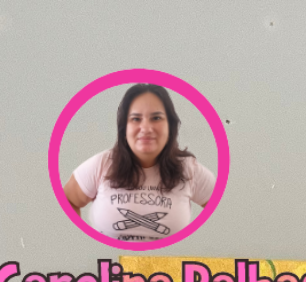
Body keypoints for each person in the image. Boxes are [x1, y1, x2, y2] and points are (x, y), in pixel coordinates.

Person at [63, 84, 215, 243]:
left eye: (156, 118)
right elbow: (67, 201)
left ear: (170, 126)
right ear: (124, 128)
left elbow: (225, 208)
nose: (146, 128)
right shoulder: (101, 164)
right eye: (136, 119)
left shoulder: (189, 169)